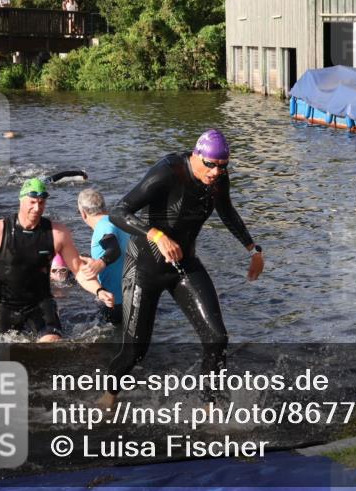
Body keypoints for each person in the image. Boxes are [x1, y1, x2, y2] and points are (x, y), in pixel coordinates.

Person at [99, 129, 263, 410]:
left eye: (223, 166)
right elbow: (119, 211)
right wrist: (157, 235)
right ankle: (108, 397)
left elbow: (227, 211)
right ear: (196, 155)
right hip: (144, 268)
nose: (215, 172)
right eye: (210, 165)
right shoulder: (168, 171)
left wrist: (253, 249)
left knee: (217, 338)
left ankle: (209, 407)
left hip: (184, 265)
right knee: (135, 352)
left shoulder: (219, 178)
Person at [0, 178, 111, 341]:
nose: (37, 208)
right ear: (21, 200)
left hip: (41, 305)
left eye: (41, 203)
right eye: (32, 202)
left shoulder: (58, 233)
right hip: (6, 307)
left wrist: (99, 291)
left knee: (51, 344)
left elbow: (78, 270)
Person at [77, 188, 128, 325]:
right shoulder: (117, 221)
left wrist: (101, 263)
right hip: (131, 295)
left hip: (114, 301)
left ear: (83, 213)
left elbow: (114, 249)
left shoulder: (103, 227)